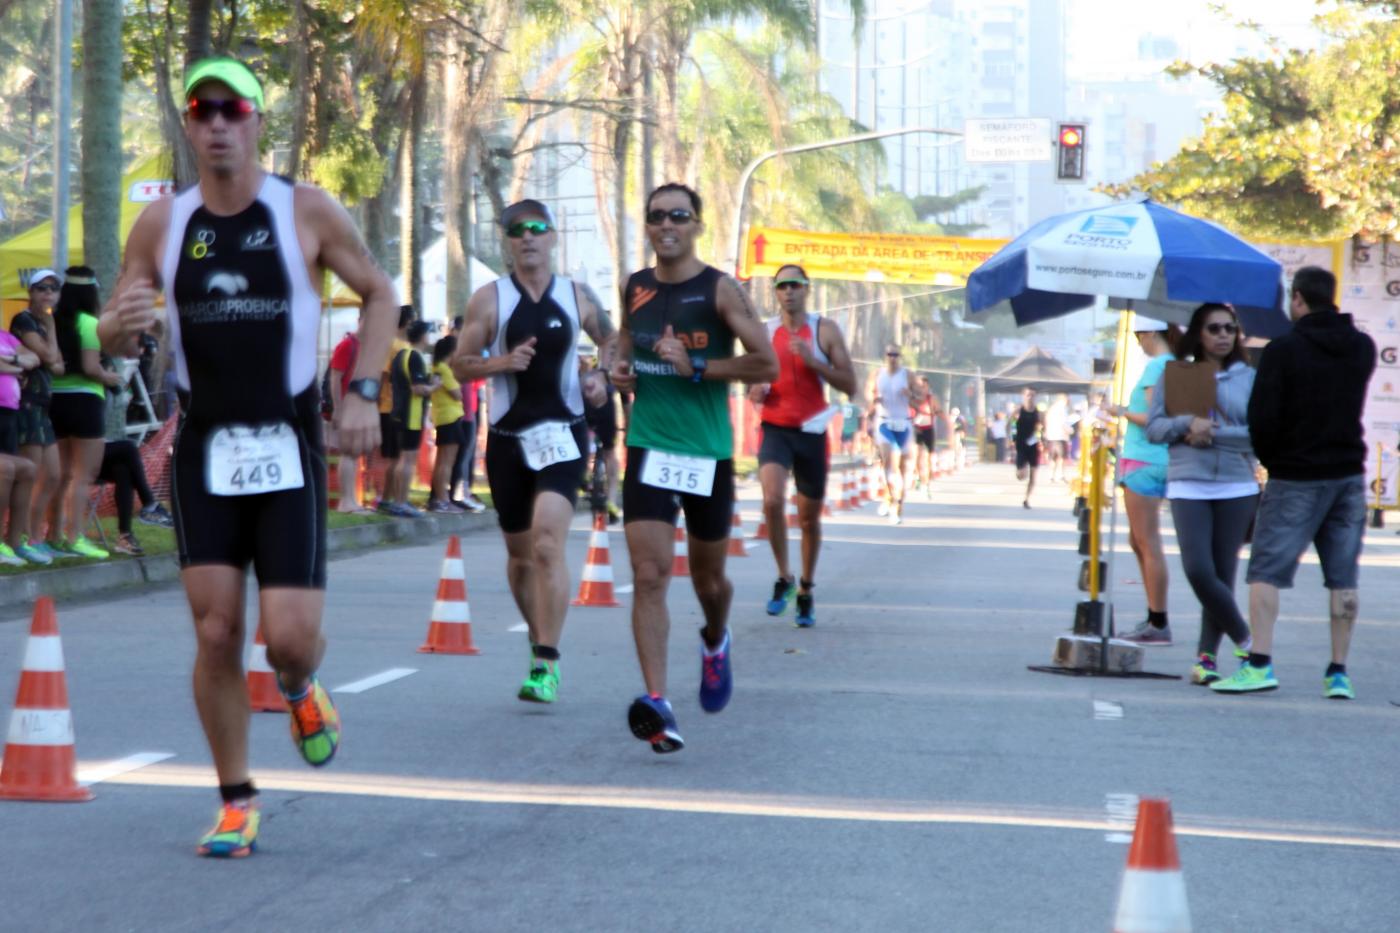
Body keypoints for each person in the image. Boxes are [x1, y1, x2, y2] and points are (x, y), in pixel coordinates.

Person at [96, 56, 397, 858]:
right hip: (205, 444)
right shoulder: (165, 224)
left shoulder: (305, 209)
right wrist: (115, 329)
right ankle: (235, 796)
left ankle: (299, 686)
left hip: (288, 441)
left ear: (259, 119)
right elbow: (112, 329)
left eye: (234, 109)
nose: (219, 123)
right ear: (188, 126)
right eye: (204, 110)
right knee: (217, 627)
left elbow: (380, 293)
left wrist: (363, 389)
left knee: (287, 639)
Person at [610, 183, 777, 752]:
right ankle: (657, 704)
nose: (666, 225)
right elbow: (628, 341)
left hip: (707, 452)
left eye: (678, 215)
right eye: (657, 217)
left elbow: (767, 362)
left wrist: (698, 365)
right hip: (650, 446)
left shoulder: (720, 289)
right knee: (651, 575)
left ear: (696, 225)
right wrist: (619, 366)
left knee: (708, 580)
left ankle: (714, 639)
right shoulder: (635, 286)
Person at [452, 198, 614, 704]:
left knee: (548, 543)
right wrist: (500, 362)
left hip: (564, 438)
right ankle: (538, 634)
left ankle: (547, 659)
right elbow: (460, 365)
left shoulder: (577, 295)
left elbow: (611, 338)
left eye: (537, 228)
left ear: (552, 236)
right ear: (507, 240)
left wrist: (602, 376)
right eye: (518, 230)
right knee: (521, 559)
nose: (528, 237)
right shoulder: (489, 299)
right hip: (507, 444)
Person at [1213, 267, 1377, 697]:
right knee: (1343, 577)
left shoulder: (1285, 349)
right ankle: (1339, 672)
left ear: (1299, 299)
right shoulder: (1362, 347)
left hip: (1296, 474)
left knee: (1266, 569)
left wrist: (1273, 461)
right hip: (1347, 474)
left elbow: (1263, 418)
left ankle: (1260, 663)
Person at [1146, 303, 1257, 685]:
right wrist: (1186, 423)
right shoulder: (1175, 375)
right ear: (1199, 333)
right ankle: (1248, 642)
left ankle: (1205, 659)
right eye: (1215, 329)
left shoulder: (1251, 378)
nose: (1224, 335)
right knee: (1198, 569)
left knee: (1222, 575)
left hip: (1237, 483)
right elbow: (1155, 429)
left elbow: (1258, 435)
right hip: (1188, 480)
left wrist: (1212, 433)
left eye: (1230, 328)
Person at [748, 264, 856, 627]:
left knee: (809, 519)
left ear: (806, 289)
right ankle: (785, 578)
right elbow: (755, 382)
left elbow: (849, 384)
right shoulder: (766, 332)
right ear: (775, 293)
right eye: (782, 286)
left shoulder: (825, 330)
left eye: (795, 285)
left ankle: (807, 590)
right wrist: (756, 390)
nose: (789, 292)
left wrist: (814, 363)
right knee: (773, 500)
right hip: (775, 429)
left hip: (811, 431)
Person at [1108, 317, 1178, 646]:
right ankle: (1154, 616)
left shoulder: (1158, 366)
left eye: (1140, 335)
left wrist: (1120, 410)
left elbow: (1154, 418)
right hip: (1156, 460)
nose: (1139, 342)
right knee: (1138, 541)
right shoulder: (1175, 365)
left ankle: (1158, 620)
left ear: (1151, 333)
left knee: (1147, 542)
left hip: (1145, 460)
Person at [50, 267, 125, 560]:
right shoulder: (89, 323)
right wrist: (111, 378)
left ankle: (54, 535)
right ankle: (75, 537)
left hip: (54, 401)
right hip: (85, 402)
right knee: (84, 475)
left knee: (61, 473)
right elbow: (92, 367)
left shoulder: (52, 320)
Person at [9, 268, 64, 563]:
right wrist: (51, 326)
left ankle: (35, 535)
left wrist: (50, 341)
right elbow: (50, 358)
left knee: (53, 475)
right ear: (31, 292)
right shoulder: (25, 321)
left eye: (53, 289)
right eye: (42, 288)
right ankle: (24, 537)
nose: (48, 294)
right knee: (31, 472)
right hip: (27, 404)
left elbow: (58, 366)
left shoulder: (42, 324)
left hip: (44, 405)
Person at [98, 357, 174, 556]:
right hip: (79, 456)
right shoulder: (90, 390)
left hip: (103, 452)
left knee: (123, 470)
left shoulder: (117, 385)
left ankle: (125, 536)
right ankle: (149, 504)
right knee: (129, 448)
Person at [389, 319, 437, 515]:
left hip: (400, 411)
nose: (429, 336)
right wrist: (435, 386)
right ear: (422, 336)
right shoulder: (415, 357)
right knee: (407, 459)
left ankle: (400, 500)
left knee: (403, 458)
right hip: (411, 414)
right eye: (428, 332)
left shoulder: (401, 354)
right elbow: (418, 388)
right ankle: (400, 501)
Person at [866, 344, 916, 523]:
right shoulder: (877, 374)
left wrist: (909, 394)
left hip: (903, 422)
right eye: (889, 354)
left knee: (902, 469)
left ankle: (898, 505)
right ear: (885, 356)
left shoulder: (907, 375)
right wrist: (874, 400)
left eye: (895, 354)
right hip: (884, 421)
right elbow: (869, 394)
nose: (892, 357)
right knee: (889, 463)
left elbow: (918, 400)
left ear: (899, 356)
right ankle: (891, 500)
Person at [374, 305, 415, 516]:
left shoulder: (404, 345)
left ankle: (392, 498)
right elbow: (382, 375)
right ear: (407, 322)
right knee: (394, 457)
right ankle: (388, 498)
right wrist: (376, 403)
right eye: (413, 320)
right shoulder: (393, 345)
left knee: (399, 456)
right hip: (390, 407)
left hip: (401, 407)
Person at [327, 315, 369, 513]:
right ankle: (346, 501)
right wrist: (338, 408)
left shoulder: (361, 347)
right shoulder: (347, 345)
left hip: (356, 408)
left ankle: (351, 499)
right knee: (348, 453)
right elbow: (336, 378)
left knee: (352, 454)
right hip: (346, 408)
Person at [427, 334, 465, 513]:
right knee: (446, 462)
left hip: (443, 417)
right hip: (450, 417)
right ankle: (442, 499)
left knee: (442, 461)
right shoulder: (444, 369)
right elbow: (457, 394)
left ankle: (438, 498)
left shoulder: (436, 367)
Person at [1013, 388, 1041, 508]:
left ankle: (1026, 499)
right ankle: (1021, 470)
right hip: (1021, 445)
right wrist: (1011, 439)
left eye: (1032, 395)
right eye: (1028, 395)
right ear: (1023, 396)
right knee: (1021, 475)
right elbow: (1011, 425)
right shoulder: (1018, 411)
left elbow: (1042, 427)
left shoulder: (1038, 412)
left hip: (1033, 445)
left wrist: (1041, 437)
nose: (1030, 397)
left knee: (1033, 475)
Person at [911, 376, 937, 493]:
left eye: (924, 387)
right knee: (916, 455)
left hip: (928, 429)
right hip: (916, 429)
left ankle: (927, 478)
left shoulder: (930, 399)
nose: (922, 389)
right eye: (920, 387)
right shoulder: (912, 399)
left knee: (927, 456)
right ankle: (917, 477)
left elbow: (934, 412)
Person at [1043, 394, 1071, 483]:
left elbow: (1047, 421)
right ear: (1063, 400)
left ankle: (1051, 475)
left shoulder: (1051, 409)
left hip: (1051, 436)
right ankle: (1061, 475)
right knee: (1061, 456)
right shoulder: (1062, 409)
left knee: (1053, 457)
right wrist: (1070, 430)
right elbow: (1063, 423)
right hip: (1060, 436)